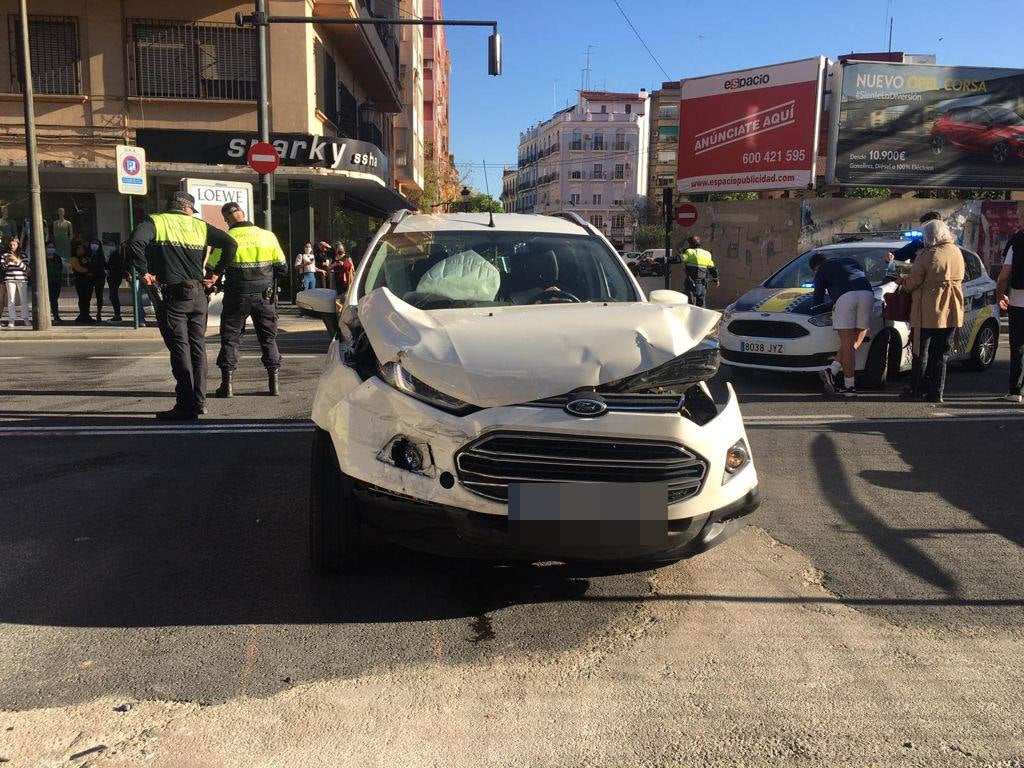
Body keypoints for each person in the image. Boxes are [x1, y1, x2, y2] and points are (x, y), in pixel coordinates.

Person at [128, 191, 238, 420]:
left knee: (180, 348)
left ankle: (185, 404)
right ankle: (199, 401)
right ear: (188, 208)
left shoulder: (156, 221)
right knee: (197, 347)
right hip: (198, 295)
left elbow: (135, 243)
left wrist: (143, 270)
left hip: (173, 295)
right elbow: (230, 243)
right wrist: (216, 274)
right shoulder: (199, 226)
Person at [206, 201, 288, 398]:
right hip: (264, 297)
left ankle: (227, 386)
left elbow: (212, 268)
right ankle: (273, 385)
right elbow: (282, 268)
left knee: (230, 339)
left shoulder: (226, 238)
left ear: (226, 219)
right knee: (268, 338)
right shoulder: (267, 236)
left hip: (236, 295)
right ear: (243, 213)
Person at [899, 219, 964, 404]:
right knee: (941, 354)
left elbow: (913, 282)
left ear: (930, 236)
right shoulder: (956, 252)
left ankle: (917, 389)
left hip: (929, 308)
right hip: (952, 309)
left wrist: (902, 282)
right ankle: (937, 391)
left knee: (921, 350)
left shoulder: (928, 255)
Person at [811, 251, 874, 396]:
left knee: (846, 344)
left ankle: (849, 386)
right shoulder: (851, 261)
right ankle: (831, 371)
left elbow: (818, 298)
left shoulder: (822, 268)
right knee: (857, 338)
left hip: (845, 298)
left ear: (815, 267)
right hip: (867, 294)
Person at [996, 226, 1024, 404]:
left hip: (1018, 302)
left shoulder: (1017, 242)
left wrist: (1000, 294)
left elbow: (1004, 275)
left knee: (1018, 347)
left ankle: (1016, 391)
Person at [680, 235, 719, 307]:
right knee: (701, 307)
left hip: (692, 284)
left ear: (690, 244)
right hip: (702, 285)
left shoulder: (689, 252)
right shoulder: (707, 254)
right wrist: (716, 279)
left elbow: (677, 259)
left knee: (689, 307)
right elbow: (713, 269)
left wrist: (660, 259)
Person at [2, 237, 31, 327]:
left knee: (24, 300)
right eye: (10, 245)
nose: (12, 246)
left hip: (22, 279)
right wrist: (8, 260)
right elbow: (3, 267)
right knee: (11, 300)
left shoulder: (23, 255)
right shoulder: (5, 255)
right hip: (9, 279)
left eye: (14, 244)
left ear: (18, 245)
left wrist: (16, 260)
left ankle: (26, 318)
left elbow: (27, 269)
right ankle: (12, 319)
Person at [70, 240, 97, 324]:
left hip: (88, 282)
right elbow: (78, 268)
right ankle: (83, 315)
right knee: (82, 299)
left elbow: (92, 266)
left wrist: (90, 271)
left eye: (81, 249)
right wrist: (87, 271)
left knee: (87, 299)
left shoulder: (87, 258)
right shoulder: (74, 259)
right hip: (80, 281)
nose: (80, 251)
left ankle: (86, 315)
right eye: (78, 249)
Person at [105, 240, 125, 322]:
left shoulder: (116, 255)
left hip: (115, 278)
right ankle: (117, 315)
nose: (110, 247)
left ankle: (117, 316)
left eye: (112, 245)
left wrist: (108, 267)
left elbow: (115, 267)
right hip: (112, 278)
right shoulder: (112, 255)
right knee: (113, 296)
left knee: (113, 296)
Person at [87, 239, 106, 322]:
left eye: (96, 243)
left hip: (99, 277)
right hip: (89, 278)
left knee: (99, 295)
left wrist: (94, 273)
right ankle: (86, 313)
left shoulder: (101, 255)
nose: (94, 245)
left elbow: (102, 266)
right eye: (93, 243)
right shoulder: (87, 254)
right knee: (87, 296)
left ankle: (99, 312)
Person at [45, 240, 64, 323]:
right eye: (49, 247)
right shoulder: (42, 257)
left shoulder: (57, 258)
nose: (51, 249)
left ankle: (56, 316)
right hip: (45, 282)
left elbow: (60, 268)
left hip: (56, 282)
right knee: (46, 300)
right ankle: (46, 316)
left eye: (52, 247)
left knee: (54, 300)